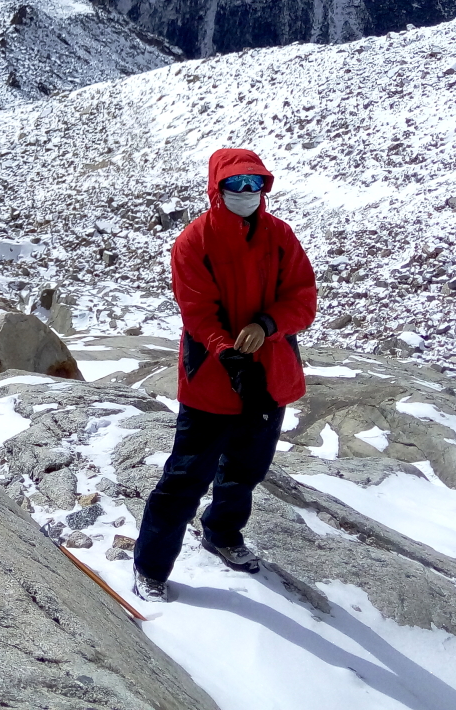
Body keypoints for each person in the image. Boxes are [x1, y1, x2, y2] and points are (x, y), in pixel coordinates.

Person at [132, 147, 317, 602]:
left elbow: (302, 298)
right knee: (186, 477)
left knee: (246, 470)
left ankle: (222, 533)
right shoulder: (194, 242)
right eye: (235, 184)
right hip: (212, 380)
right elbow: (197, 312)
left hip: (269, 374)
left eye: (254, 183)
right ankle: (151, 565)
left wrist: (267, 325)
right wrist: (226, 351)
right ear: (217, 188)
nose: (246, 192)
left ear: (264, 188)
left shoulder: (280, 237)